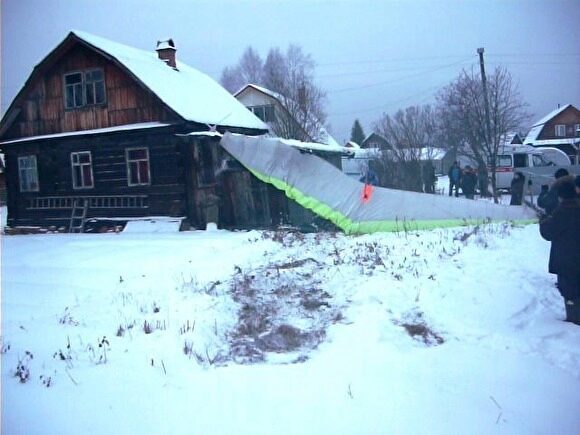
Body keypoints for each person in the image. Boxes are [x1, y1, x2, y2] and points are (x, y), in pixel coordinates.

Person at [539, 179, 580, 325]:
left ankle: (574, 319)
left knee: (569, 291)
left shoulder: (562, 212)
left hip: (566, 259)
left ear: (561, 196)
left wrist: (543, 221)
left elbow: (548, 233)